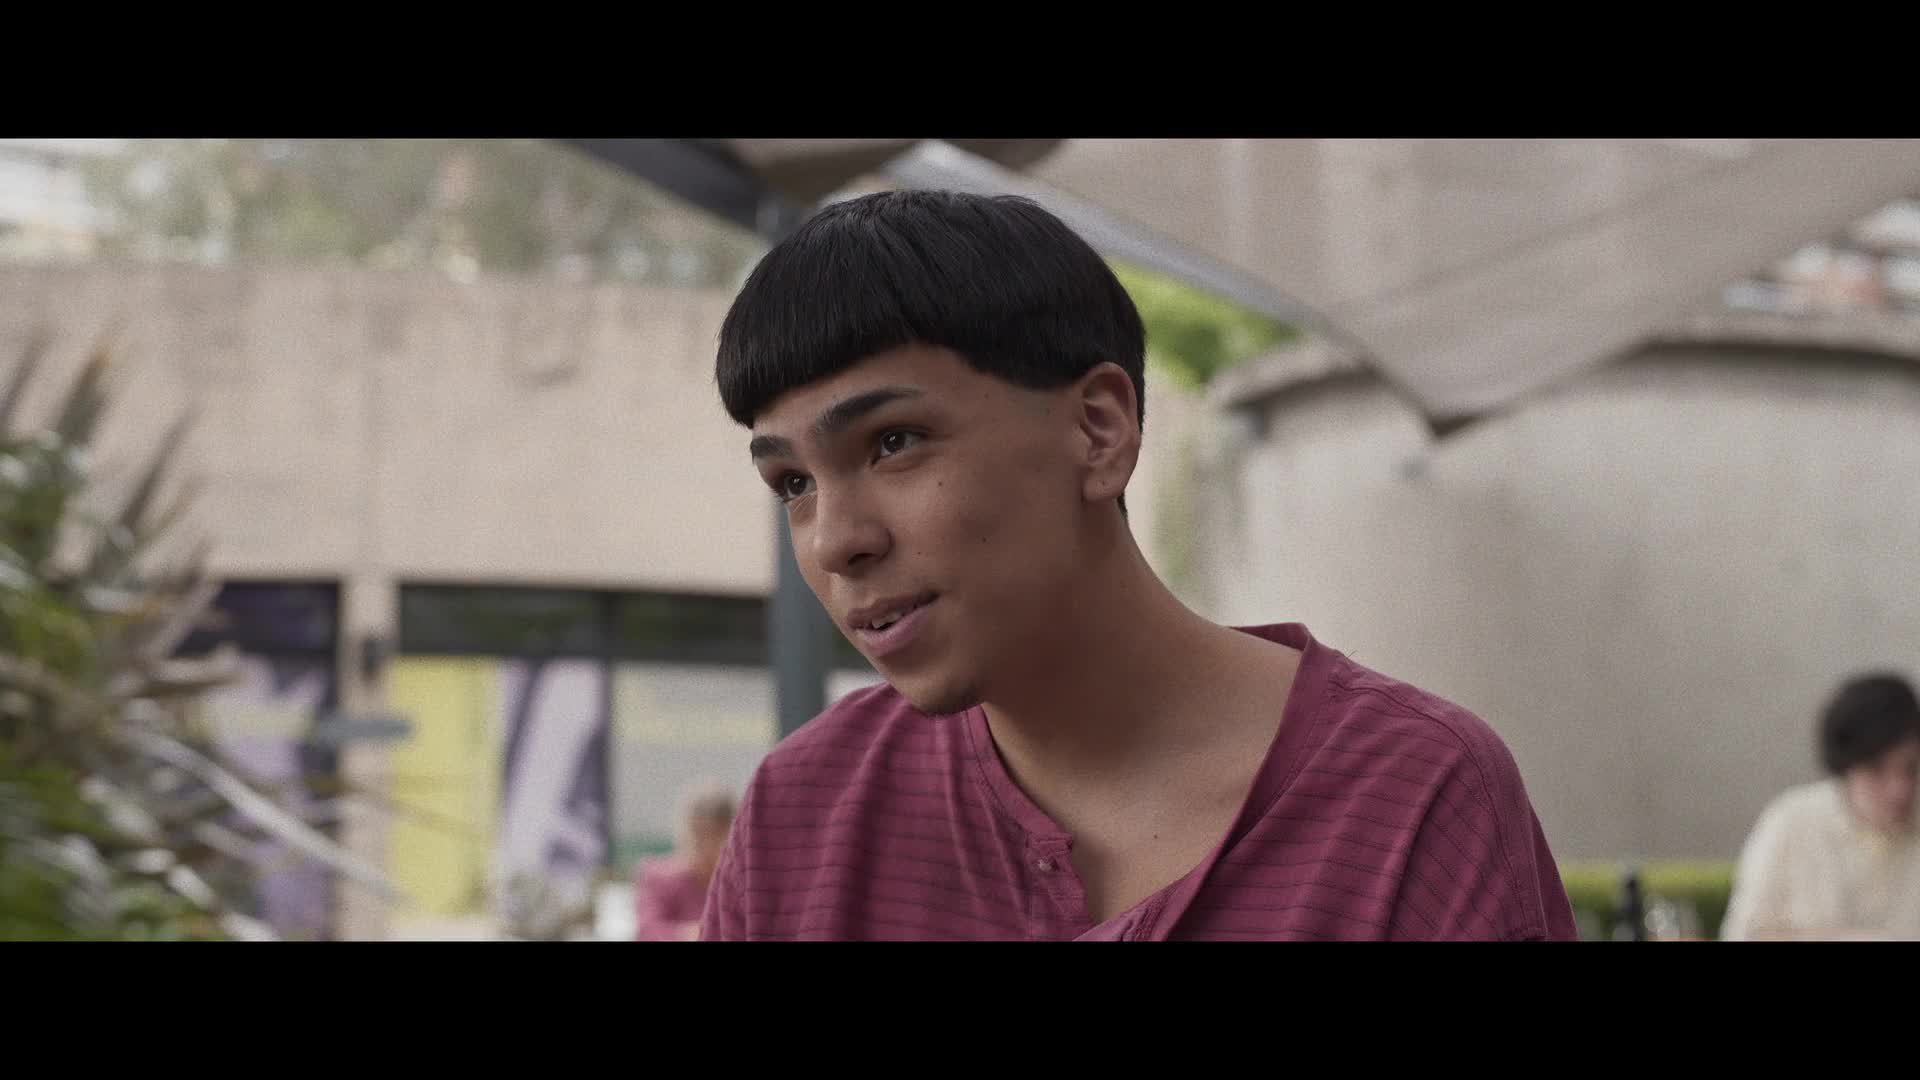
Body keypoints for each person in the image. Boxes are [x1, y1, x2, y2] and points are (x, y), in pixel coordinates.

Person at [700, 190, 1577, 941]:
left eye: (894, 442)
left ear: (1099, 429)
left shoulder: (1414, 798)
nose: (834, 540)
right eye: (792, 484)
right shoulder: (803, 815)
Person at [1721, 673, 1920, 941]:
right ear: (1846, 765)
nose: (1899, 789)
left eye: (1910, 769)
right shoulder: (1791, 821)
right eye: (1876, 770)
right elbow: (1743, 933)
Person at [633, 785, 736, 941]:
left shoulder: (739, 883)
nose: (701, 845)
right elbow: (648, 931)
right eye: (696, 833)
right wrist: (691, 934)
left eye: (712, 835)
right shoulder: (658, 878)